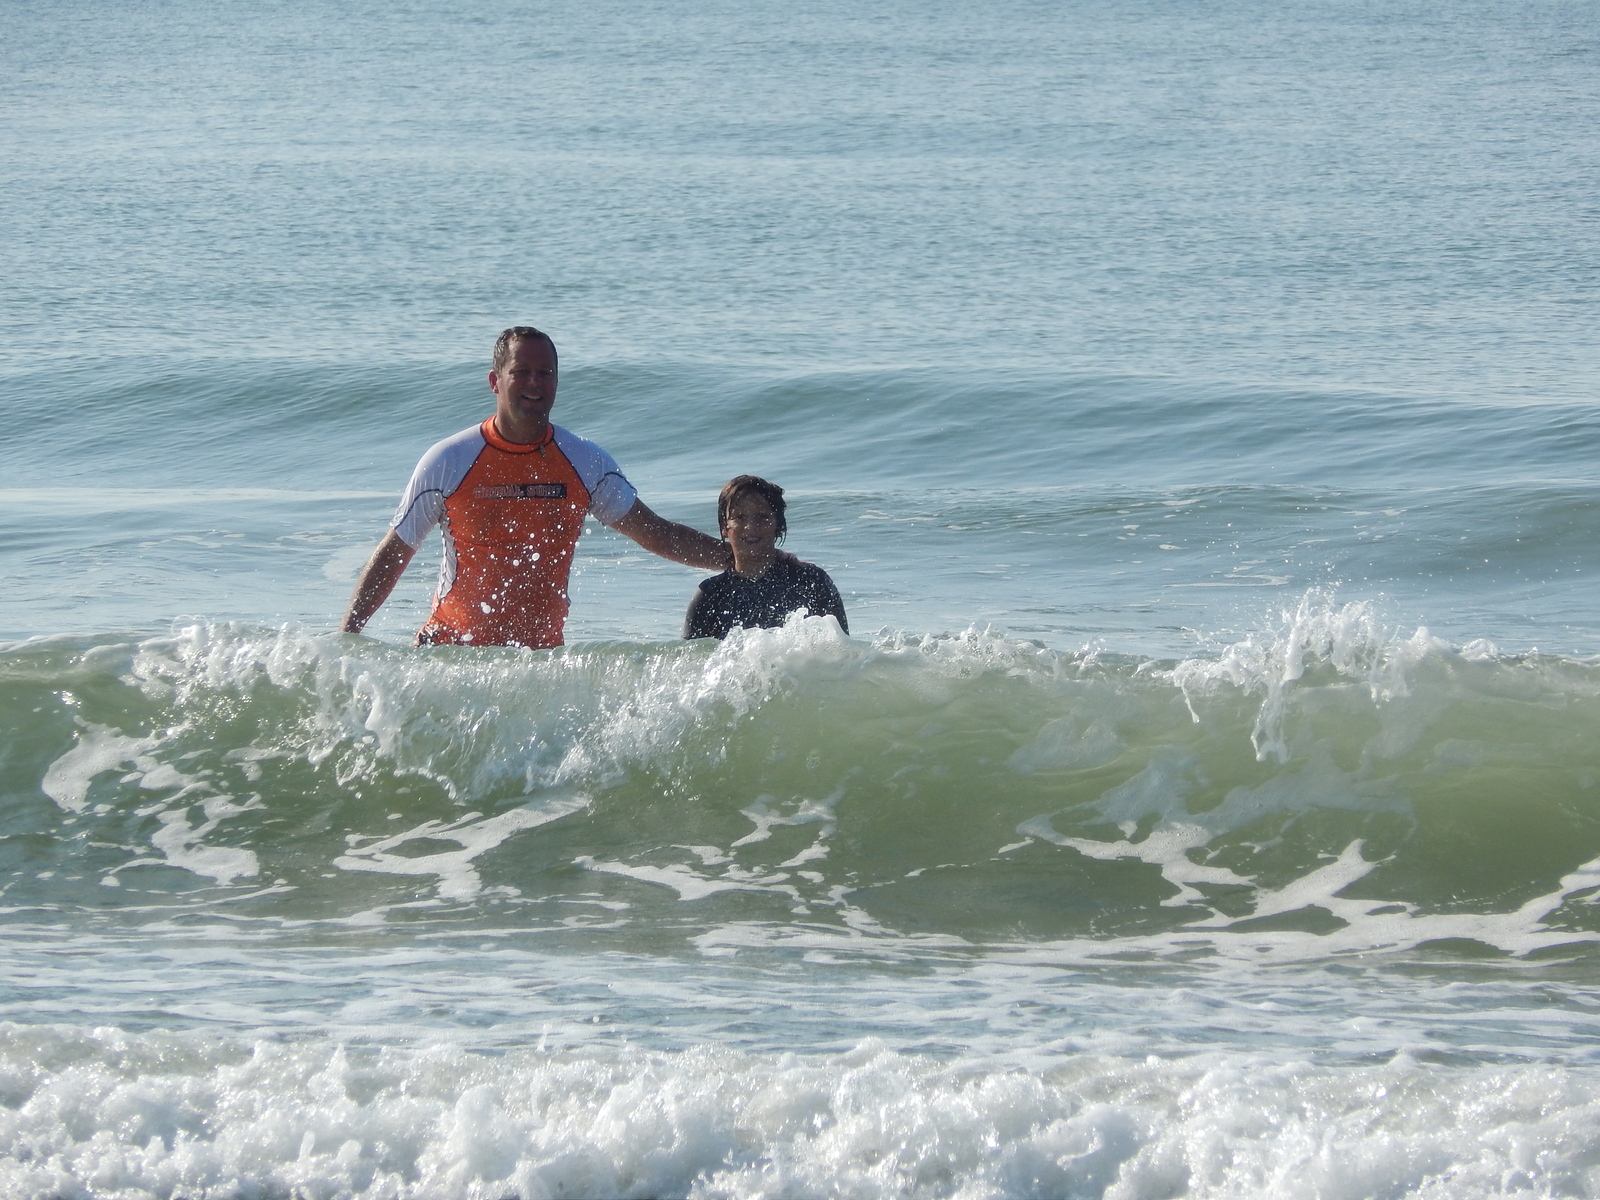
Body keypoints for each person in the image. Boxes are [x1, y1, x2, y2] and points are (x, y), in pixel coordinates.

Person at [342, 326, 736, 648]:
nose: (535, 383)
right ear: (496, 381)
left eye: (545, 373)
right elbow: (396, 551)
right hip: (450, 655)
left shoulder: (584, 461)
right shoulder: (449, 460)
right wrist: (348, 637)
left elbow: (658, 535)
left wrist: (739, 559)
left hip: (538, 666)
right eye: (521, 372)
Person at [682, 475, 848, 640]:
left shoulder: (811, 581)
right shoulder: (709, 596)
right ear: (725, 526)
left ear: (778, 524)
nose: (751, 526)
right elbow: (692, 662)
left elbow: (845, 654)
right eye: (739, 517)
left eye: (762, 516)